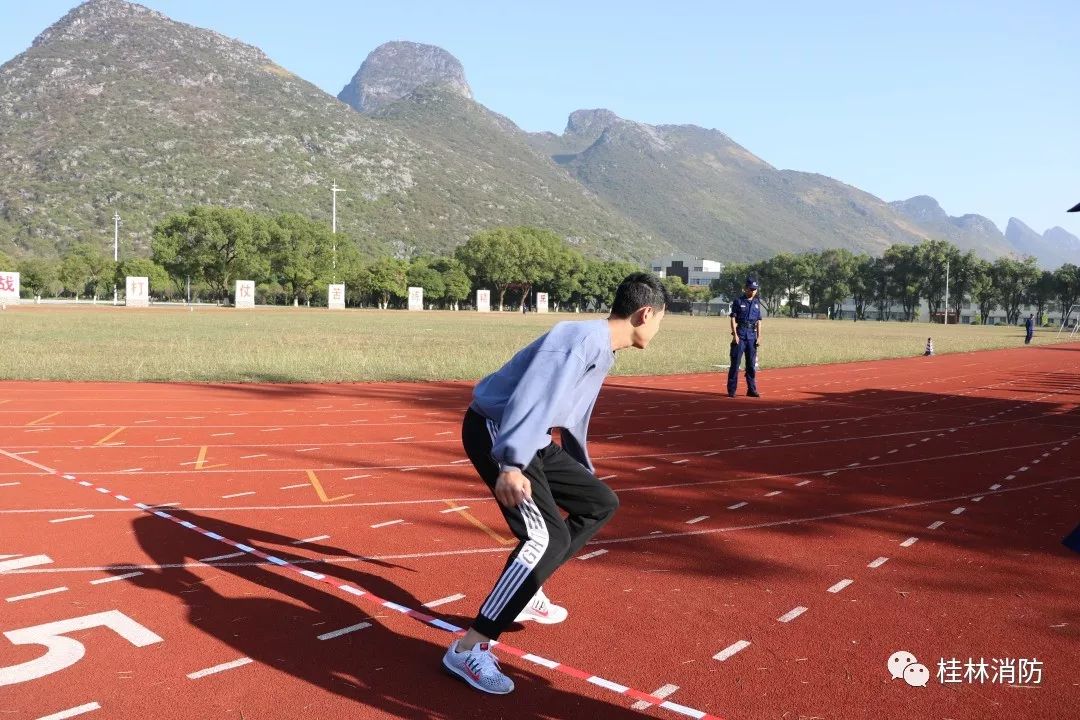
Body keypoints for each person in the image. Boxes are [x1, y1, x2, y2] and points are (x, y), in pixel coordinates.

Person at [442, 272, 669, 695]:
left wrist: (582, 469)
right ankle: (469, 647)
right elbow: (532, 396)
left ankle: (528, 589)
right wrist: (510, 464)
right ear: (645, 313)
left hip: (535, 437)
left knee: (600, 503)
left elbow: (572, 415)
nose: (659, 329)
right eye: (661, 320)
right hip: (500, 430)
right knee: (543, 537)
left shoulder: (603, 349)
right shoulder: (578, 339)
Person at [727, 277, 763, 398]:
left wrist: (759, 336)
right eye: (751, 289)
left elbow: (759, 321)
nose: (753, 291)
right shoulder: (738, 301)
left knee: (751, 365)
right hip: (740, 335)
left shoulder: (757, 303)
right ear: (746, 288)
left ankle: (751, 389)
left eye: (755, 289)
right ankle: (732, 390)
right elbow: (733, 318)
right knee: (735, 364)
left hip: (752, 337)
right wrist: (735, 335)